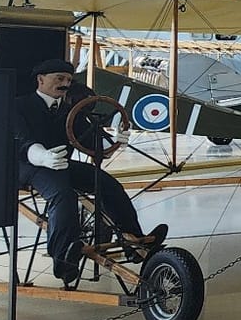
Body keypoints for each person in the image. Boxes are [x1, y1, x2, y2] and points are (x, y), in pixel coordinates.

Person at [13, 59, 165, 287]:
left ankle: (133, 240)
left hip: (61, 164)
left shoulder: (70, 111)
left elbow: (90, 139)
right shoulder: (19, 106)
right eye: (59, 79)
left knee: (107, 183)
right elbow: (20, 140)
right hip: (28, 166)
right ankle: (63, 258)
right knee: (63, 194)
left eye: (68, 80)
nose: (65, 84)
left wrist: (114, 142)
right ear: (40, 80)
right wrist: (42, 156)